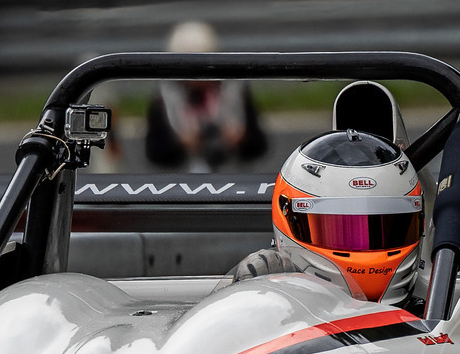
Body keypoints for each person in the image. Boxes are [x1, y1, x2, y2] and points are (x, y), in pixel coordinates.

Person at [232, 128, 426, 311]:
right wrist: (252, 300)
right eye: (340, 230)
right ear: (287, 216)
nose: (365, 248)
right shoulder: (267, 308)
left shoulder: (441, 305)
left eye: (388, 230)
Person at [145, 21, 267, 172]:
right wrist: (179, 143)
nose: (196, 79)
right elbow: (154, 153)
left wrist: (240, 138)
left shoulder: (235, 90)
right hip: (182, 181)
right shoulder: (164, 98)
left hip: (231, 177)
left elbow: (259, 145)